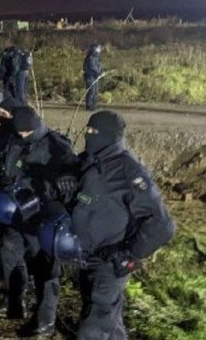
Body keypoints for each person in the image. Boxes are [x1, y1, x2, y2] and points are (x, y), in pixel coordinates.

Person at [72, 111, 174, 339]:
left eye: (94, 132)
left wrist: (130, 253)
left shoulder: (130, 172)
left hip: (112, 261)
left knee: (94, 324)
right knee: (109, 319)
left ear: (109, 136)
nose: (89, 136)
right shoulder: (88, 162)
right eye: (87, 131)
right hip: (87, 254)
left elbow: (162, 223)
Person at [0, 106, 79, 336]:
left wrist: (43, 190)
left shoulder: (56, 146)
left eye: (27, 133)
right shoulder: (15, 138)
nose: (23, 136)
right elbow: (9, 166)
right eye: (21, 133)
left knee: (44, 267)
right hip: (16, 212)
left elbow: (69, 184)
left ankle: (45, 321)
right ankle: (15, 301)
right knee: (10, 253)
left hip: (43, 215)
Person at [83, 43, 102, 111]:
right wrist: (98, 72)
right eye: (98, 49)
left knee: (96, 92)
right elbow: (92, 67)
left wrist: (101, 71)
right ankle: (89, 106)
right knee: (91, 91)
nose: (99, 50)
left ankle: (94, 105)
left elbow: (99, 66)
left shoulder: (97, 58)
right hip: (90, 77)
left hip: (95, 77)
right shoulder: (90, 58)